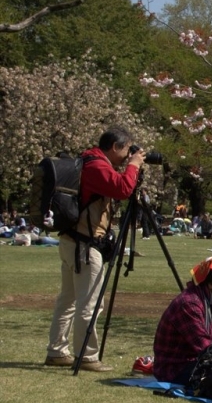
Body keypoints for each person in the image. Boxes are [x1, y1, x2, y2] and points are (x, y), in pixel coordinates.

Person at [45, 126, 145, 371]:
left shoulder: (87, 160)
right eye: (126, 150)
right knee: (89, 303)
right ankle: (87, 356)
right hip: (84, 245)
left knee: (67, 300)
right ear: (115, 147)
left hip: (72, 241)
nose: (126, 157)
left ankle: (57, 351)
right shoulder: (97, 166)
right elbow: (123, 190)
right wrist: (134, 166)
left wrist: (130, 165)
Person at [153, 256, 212, 384]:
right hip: (176, 369)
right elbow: (204, 346)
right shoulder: (189, 304)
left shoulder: (208, 299)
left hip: (196, 361)